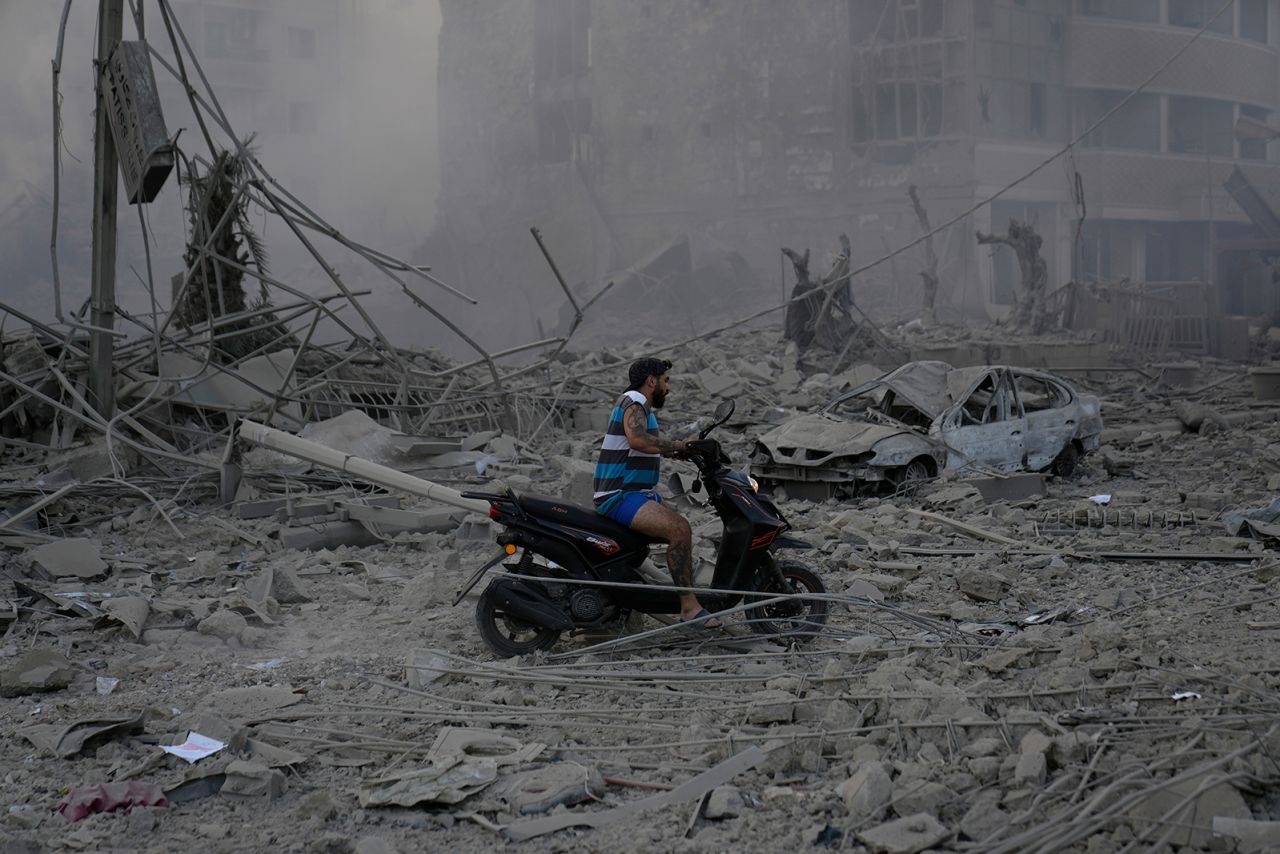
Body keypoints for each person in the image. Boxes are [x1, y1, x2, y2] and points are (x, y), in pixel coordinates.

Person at [593, 357, 721, 627]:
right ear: (651, 380)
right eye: (666, 380)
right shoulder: (634, 401)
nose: (668, 387)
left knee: (678, 530)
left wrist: (682, 449)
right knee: (679, 529)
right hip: (619, 495)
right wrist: (678, 444)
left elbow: (647, 445)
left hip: (633, 493)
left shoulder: (643, 409)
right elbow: (638, 439)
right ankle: (689, 608)